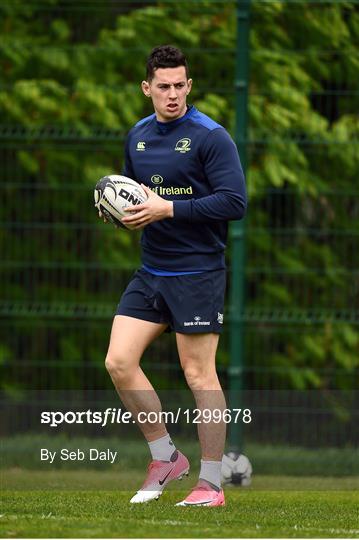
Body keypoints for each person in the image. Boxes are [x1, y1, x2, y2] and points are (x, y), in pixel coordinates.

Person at [103, 45, 247, 507]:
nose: (172, 95)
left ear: (189, 85)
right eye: (162, 86)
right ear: (147, 88)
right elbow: (135, 196)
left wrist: (171, 207)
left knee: (198, 374)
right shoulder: (138, 136)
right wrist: (121, 211)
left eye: (179, 85)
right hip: (151, 271)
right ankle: (165, 456)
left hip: (198, 272)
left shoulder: (211, 136)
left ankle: (211, 485)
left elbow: (234, 202)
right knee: (118, 362)